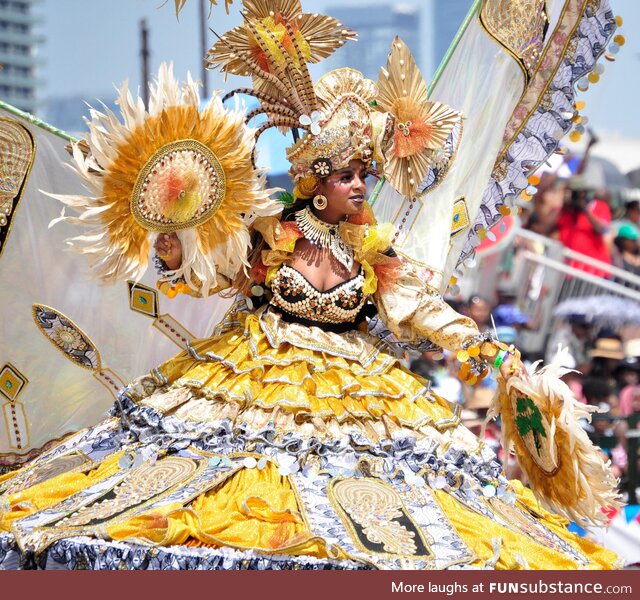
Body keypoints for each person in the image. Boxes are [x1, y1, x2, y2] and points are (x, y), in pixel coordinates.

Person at [0, 0, 620, 571]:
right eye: (348, 174)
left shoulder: (370, 251)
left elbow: (419, 310)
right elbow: (206, 272)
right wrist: (174, 238)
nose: (360, 185)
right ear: (316, 180)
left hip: (360, 394)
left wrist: (491, 354)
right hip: (254, 380)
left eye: (364, 173)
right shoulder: (269, 231)